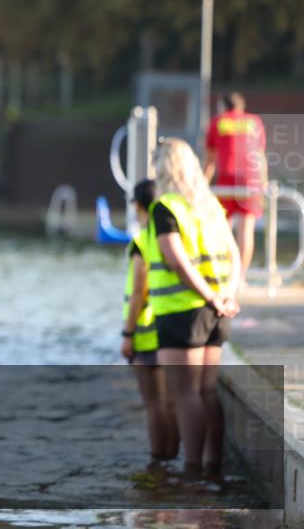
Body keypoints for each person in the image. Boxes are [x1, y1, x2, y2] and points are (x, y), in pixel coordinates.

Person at [148, 139, 241, 475]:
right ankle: (213, 465)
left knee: (185, 393)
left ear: (163, 169)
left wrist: (209, 296)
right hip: (216, 312)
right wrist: (227, 295)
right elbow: (234, 253)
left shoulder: (165, 208)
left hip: (183, 312)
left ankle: (192, 472)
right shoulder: (211, 206)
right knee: (206, 391)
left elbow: (176, 260)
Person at [120, 178, 179, 461]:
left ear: (137, 204)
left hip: (145, 333)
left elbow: (137, 294)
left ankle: (159, 464)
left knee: (154, 403)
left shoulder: (141, 241)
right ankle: (177, 461)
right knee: (170, 402)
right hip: (171, 326)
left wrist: (127, 334)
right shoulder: (171, 233)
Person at [204, 92, 267, 284]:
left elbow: (210, 161)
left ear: (223, 106)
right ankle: (241, 276)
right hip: (250, 180)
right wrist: (263, 182)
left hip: (226, 180)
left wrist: (201, 185)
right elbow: (260, 157)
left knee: (223, 227)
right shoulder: (254, 122)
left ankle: (225, 272)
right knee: (246, 229)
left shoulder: (218, 122)